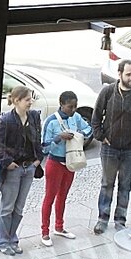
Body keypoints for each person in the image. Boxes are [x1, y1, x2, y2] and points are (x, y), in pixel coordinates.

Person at [90, 59, 131, 235]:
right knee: (106, 184)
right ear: (120, 74)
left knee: (125, 185)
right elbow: (96, 117)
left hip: (130, 150)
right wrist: (100, 136)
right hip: (110, 148)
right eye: (128, 74)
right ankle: (102, 219)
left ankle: (120, 220)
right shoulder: (108, 91)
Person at [0, 85, 43, 256]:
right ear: (16, 101)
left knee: (19, 207)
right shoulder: (6, 120)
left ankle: (12, 238)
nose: (30, 102)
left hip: (29, 167)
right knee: (7, 207)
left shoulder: (34, 117)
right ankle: (2, 240)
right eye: (27, 99)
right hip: (13, 169)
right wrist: (7, 162)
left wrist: (38, 159)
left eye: (31, 99)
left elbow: (37, 138)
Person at [39, 91, 92, 247]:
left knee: (63, 196)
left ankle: (59, 227)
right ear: (61, 104)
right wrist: (59, 137)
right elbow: (44, 148)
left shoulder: (76, 117)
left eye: (75, 106)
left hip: (70, 163)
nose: (74, 109)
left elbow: (89, 130)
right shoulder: (51, 121)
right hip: (55, 164)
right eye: (70, 107)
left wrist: (79, 134)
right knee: (49, 198)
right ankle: (45, 232)